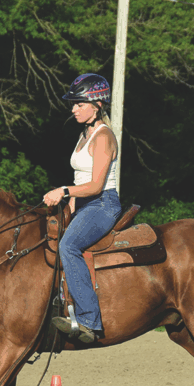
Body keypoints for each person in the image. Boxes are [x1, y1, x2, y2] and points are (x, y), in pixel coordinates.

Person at [43, 73, 122, 344]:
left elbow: (96, 185)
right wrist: (69, 206)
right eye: (73, 104)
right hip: (84, 204)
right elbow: (81, 180)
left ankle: (88, 320)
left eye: (79, 104)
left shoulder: (103, 137)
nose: (73, 109)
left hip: (102, 204)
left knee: (68, 246)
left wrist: (63, 191)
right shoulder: (83, 135)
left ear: (96, 105)